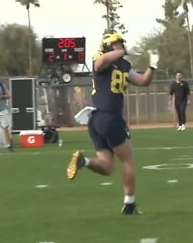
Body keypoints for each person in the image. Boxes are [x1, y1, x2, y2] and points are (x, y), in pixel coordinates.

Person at [66, 33, 156, 215]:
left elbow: (143, 81)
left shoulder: (123, 64)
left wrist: (152, 65)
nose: (120, 46)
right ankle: (129, 205)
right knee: (129, 161)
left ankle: (84, 161)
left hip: (97, 120)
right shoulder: (101, 58)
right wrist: (120, 52)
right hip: (109, 118)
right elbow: (101, 62)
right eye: (116, 44)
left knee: (107, 167)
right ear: (107, 46)